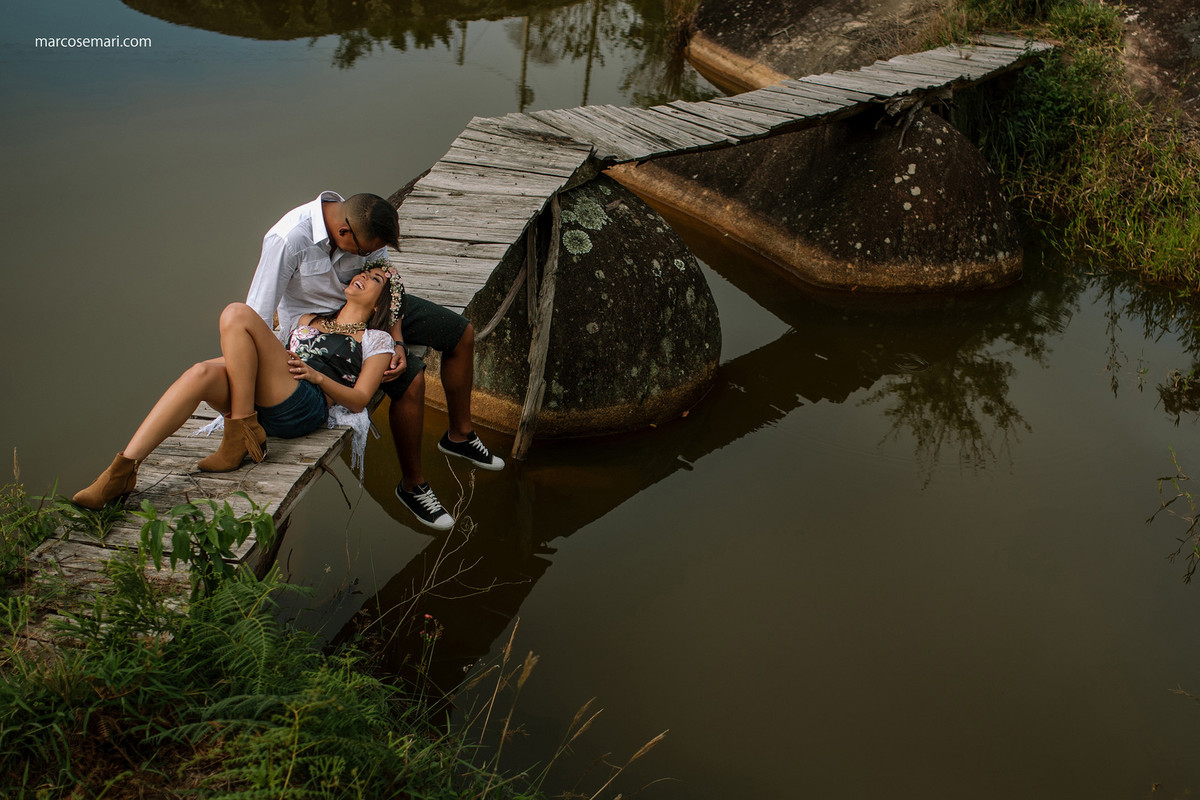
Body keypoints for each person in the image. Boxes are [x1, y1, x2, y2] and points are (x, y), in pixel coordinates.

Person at [244, 191, 502, 532]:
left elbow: (388, 282)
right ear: (344, 233)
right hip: (322, 324)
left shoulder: (367, 226)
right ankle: (413, 485)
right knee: (411, 379)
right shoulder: (289, 239)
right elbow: (258, 314)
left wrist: (395, 339)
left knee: (461, 333)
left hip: (371, 307)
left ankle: (459, 435)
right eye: (365, 251)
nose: (369, 255)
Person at [73, 263, 400, 510]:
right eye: (366, 271)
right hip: (269, 397)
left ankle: (239, 434)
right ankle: (122, 472)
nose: (365, 275)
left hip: (305, 403)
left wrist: (317, 377)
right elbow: (257, 357)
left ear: (380, 305)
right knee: (199, 373)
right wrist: (227, 364)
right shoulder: (306, 320)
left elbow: (359, 401)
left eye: (376, 280)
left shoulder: (375, 340)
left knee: (236, 313)